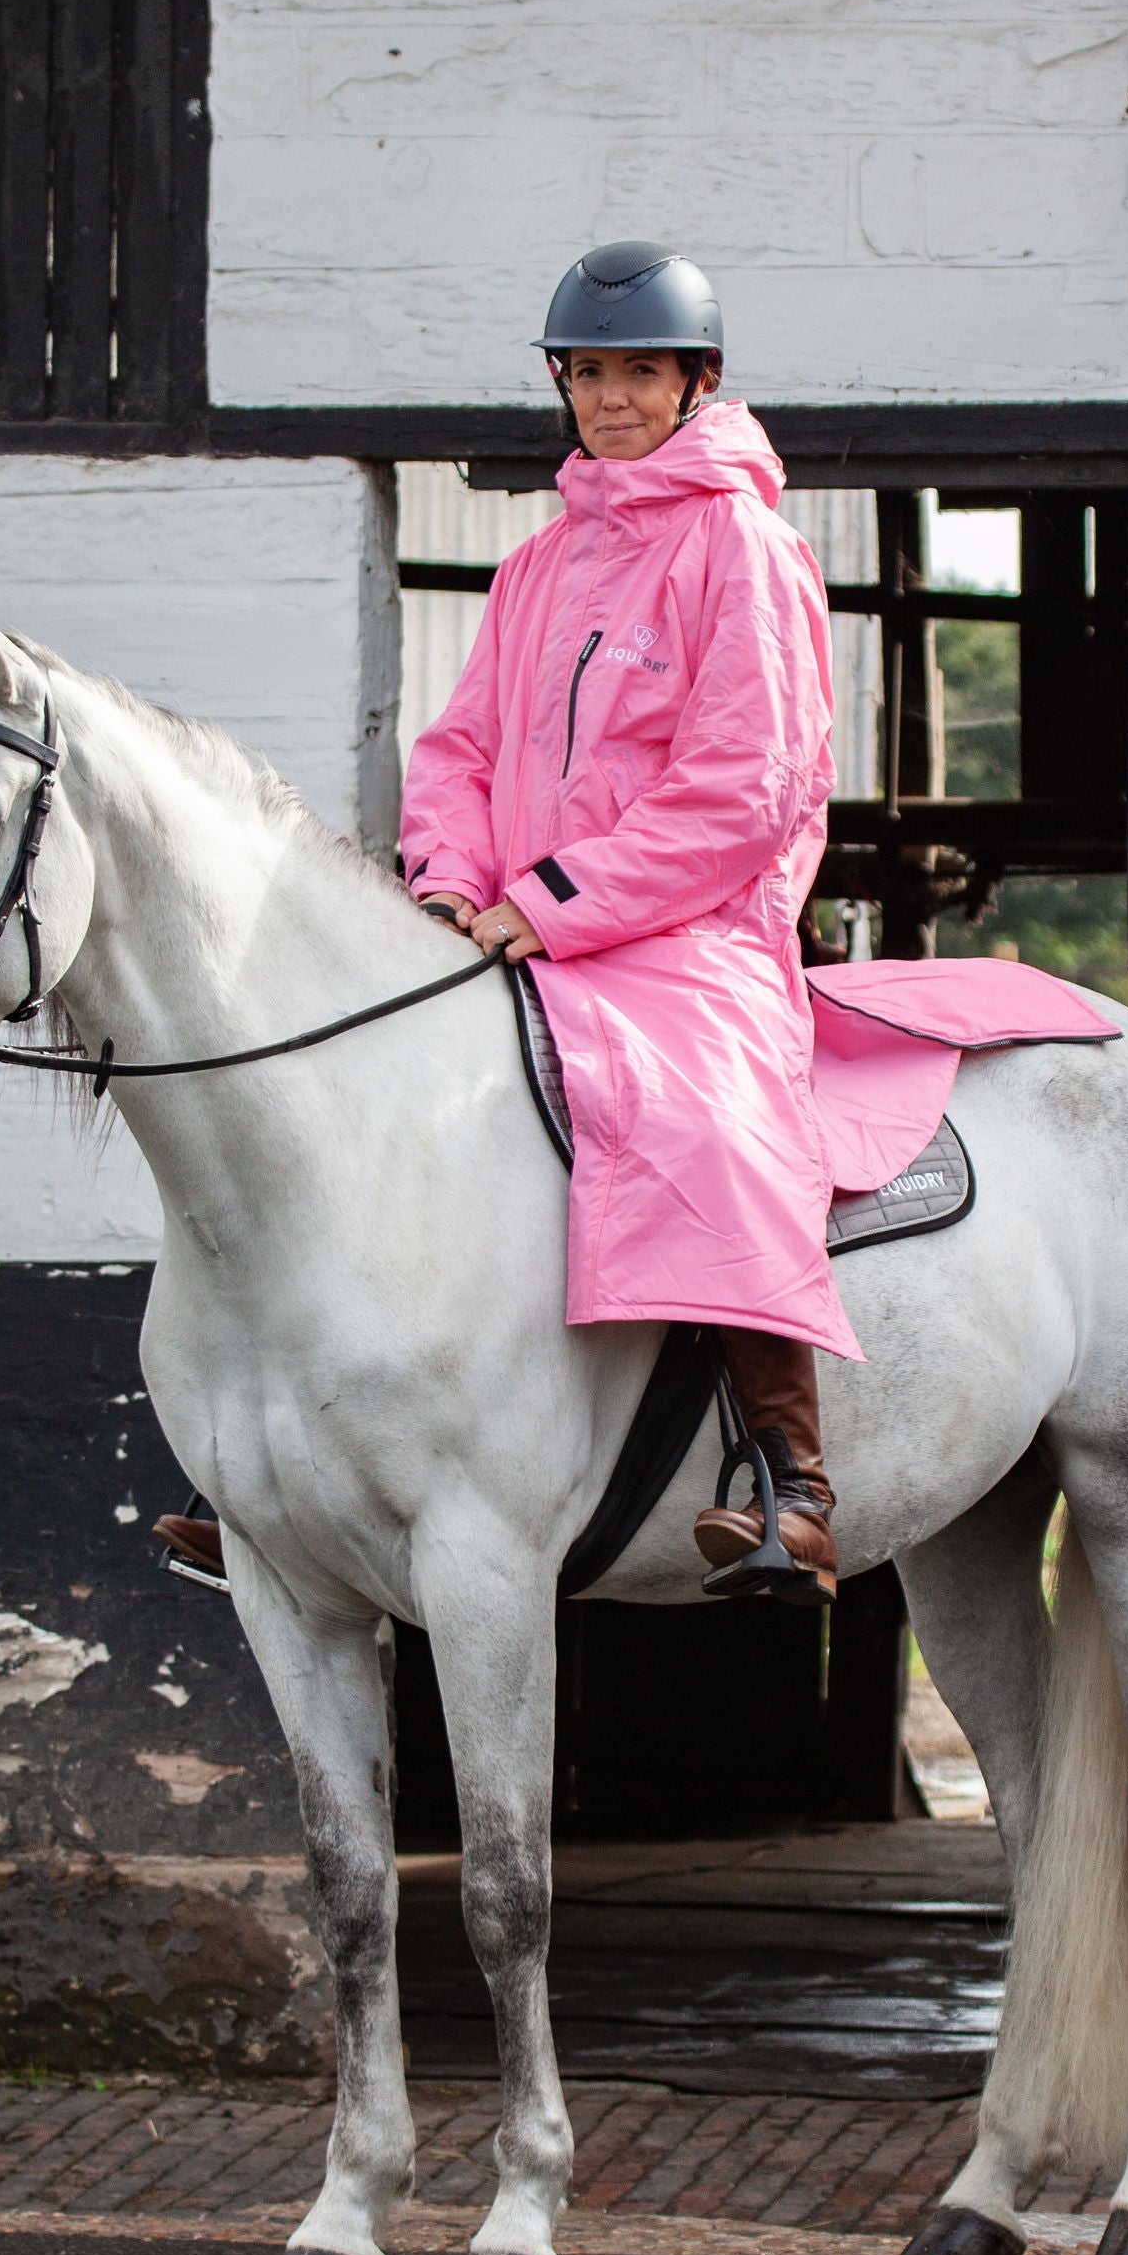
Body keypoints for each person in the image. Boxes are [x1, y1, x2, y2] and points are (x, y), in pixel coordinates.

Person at [157, 240, 854, 1604]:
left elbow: (747, 788)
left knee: (709, 1114)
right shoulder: (540, 567)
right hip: (515, 924)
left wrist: (554, 902)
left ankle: (790, 1475)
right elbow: (459, 749)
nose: (610, 397)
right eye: (588, 374)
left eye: (638, 373)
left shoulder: (748, 551)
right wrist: (446, 890)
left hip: (687, 931)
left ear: (694, 382)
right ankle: (276, 1460)